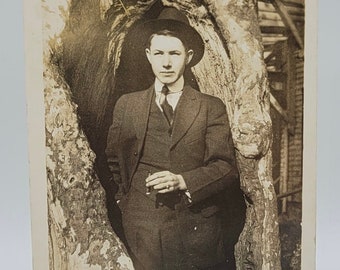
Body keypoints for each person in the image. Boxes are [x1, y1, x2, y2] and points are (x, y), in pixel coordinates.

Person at [105, 7, 242, 270]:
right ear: (148, 56)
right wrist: (126, 203)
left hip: (196, 231)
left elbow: (225, 167)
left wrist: (182, 181)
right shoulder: (127, 105)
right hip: (141, 231)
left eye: (174, 54)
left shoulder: (210, 106)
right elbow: (113, 160)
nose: (166, 63)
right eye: (159, 53)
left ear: (188, 57)